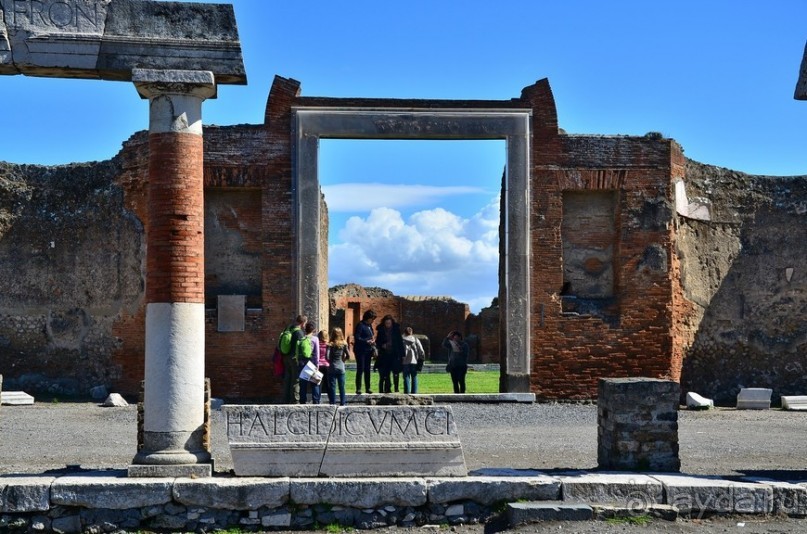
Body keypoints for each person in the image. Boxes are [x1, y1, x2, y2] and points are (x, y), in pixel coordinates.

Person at [375, 314, 404, 394]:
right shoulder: (381, 330)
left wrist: (402, 355)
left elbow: (400, 342)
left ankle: (396, 388)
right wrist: (382, 345)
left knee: (396, 372)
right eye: (386, 323)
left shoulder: (396, 330)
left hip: (394, 353)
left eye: (389, 323)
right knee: (386, 372)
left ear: (392, 323)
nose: (388, 325)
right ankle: (387, 388)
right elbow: (378, 341)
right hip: (385, 354)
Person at [281, 314, 307, 404]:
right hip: (294, 358)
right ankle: (295, 400)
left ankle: (286, 399)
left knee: (287, 378)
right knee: (296, 380)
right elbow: (302, 347)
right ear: (303, 323)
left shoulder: (289, 329)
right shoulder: (299, 333)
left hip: (286, 357)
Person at [353, 309, 377, 395]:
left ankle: (368, 387)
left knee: (367, 369)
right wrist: (366, 341)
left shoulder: (369, 326)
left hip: (368, 350)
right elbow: (357, 337)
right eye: (372, 319)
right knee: (361, 368)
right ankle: (358, 388)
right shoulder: (360, 325)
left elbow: (371, 335)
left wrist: (373, 341)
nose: (373, 321)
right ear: (368, 318)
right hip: (360, 350)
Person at [326, 327, 350, 405]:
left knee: (332, 387)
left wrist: (331, 361)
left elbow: (327, 357)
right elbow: (348, 355)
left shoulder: (330, 344)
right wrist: (343, 360)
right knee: (342, 387)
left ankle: (332, 402)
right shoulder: (344, 344)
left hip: (332, 367)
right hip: (341, 367)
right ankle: (343, 402)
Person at [298, 322, 321, 404]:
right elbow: (317, 353)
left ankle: (302, 401)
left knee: (303, 383)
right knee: (315, 382)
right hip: (312, 362)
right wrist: (317, 364)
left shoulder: (302, 338)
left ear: (305, 329)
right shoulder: (315, 339)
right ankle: (316, 400)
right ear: (314, 330)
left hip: (302, 362)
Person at [401, 326, 425, 394]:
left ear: (404, 333)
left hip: (405, 361)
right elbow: (421, 350)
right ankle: (414, 392)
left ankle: (407, 392)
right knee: (414, 376)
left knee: (406, 377)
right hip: (414, 361)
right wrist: (422, 358)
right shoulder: (415, 339)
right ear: (411, 332)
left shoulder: (401, 340)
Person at [317, 330, 330, 401]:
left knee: (319, 383)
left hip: (319, 365)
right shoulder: (328, 345)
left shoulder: (317, 345)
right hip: (327, 364)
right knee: (328, 383)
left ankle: (318, 399)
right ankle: (330, 399)